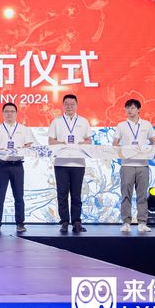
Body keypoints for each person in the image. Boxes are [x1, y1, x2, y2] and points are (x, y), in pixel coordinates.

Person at [113, 99, 155, 233]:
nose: (130, 110)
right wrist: (120, 150)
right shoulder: (121, 126)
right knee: (126, 195)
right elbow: (115, 143)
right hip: (127, 165)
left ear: (139, 109)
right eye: (128, 108)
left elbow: (153, 141)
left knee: (142, 196)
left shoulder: (146, 124)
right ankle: (126, 222)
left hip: (143, 165)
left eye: (133, 108)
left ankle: (142, 223)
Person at [0, 102, 37, 233]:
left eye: (12, 111)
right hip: (2, 165)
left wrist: (18, 150)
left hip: (17, 166)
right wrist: (4, 151)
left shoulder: (24, 129)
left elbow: (29, 145)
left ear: (16, 113)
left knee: (19, 196)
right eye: (7, 111)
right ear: (3, 113)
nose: (9, 114)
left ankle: (20, 224)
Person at [48, 94, 92, 233]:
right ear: (63, 106)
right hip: (61, 162)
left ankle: (76, 222)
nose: (69, 106)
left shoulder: (83, 121)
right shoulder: (56, 121)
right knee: (62, 194)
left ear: (76, 105)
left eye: (72, 104)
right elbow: (51, 141)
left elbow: (89, 140)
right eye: (66, 104)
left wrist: (80, 144)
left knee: (76, 194)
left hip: (78, 162)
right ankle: (64, 222)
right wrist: (62, 143)